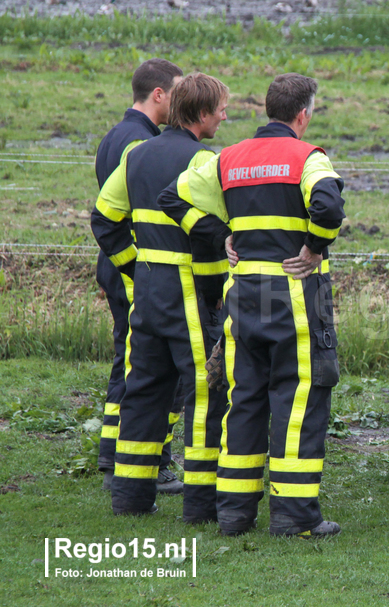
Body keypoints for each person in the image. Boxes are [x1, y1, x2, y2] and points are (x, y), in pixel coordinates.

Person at [158, 73, 346, 538]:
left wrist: (221, 236)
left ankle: (235, 515)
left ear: (267, 110)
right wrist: (315, 248)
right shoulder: (309, 157)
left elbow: (172, 197)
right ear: (303, 114)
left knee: (243, 399)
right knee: (299, 397)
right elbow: (328, 207)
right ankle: (295, 516)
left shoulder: (229, 157)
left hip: (242, 297)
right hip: (295, 297)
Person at [92, 73, 231, 522]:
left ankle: (130, 498)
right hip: (189, 295)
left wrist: (135, 268)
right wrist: (214, 299)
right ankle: (200, 505)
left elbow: (104, 218)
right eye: (221, 109)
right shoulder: (205, 162)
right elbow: (210, 245)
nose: (225, 116)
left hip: (147, 293)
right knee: (205, 394)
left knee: (144, 390)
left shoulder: (135, 154)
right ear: (203, 114)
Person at [93, 58, 185, 494]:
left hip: (121, 266)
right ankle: (151, 459)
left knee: (125, 362)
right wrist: (136, 268)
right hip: (140, 271)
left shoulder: (116, 135)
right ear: (159, 95)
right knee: (148, 370)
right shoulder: (140, 142)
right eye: (178, 92)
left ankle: (113, 453)